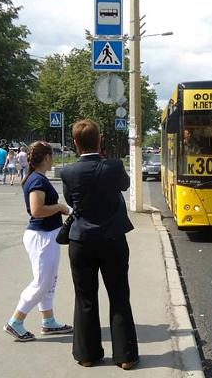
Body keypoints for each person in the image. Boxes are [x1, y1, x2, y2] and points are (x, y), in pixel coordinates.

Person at [61, 119, 139, 369]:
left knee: (85, 298)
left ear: (75, 143)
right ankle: (125, 357)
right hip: (113, 239)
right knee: (119, 295)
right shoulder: (114, 166)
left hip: (81, 241)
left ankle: (87, 355)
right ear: (100, 140)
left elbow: (70, 201)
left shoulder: (69, 171)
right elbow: (125, 185)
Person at [4, 141, 73, 342]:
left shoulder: (36, 178)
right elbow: (37, 210)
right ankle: (15, 321)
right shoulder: (37, 181)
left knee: (49, 280)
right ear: (46, 158)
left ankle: (48, 321)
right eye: (52, 156)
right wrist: (60, 207)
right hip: (42, 236)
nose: (53, 160)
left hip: (46, 235)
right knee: (42, 282)